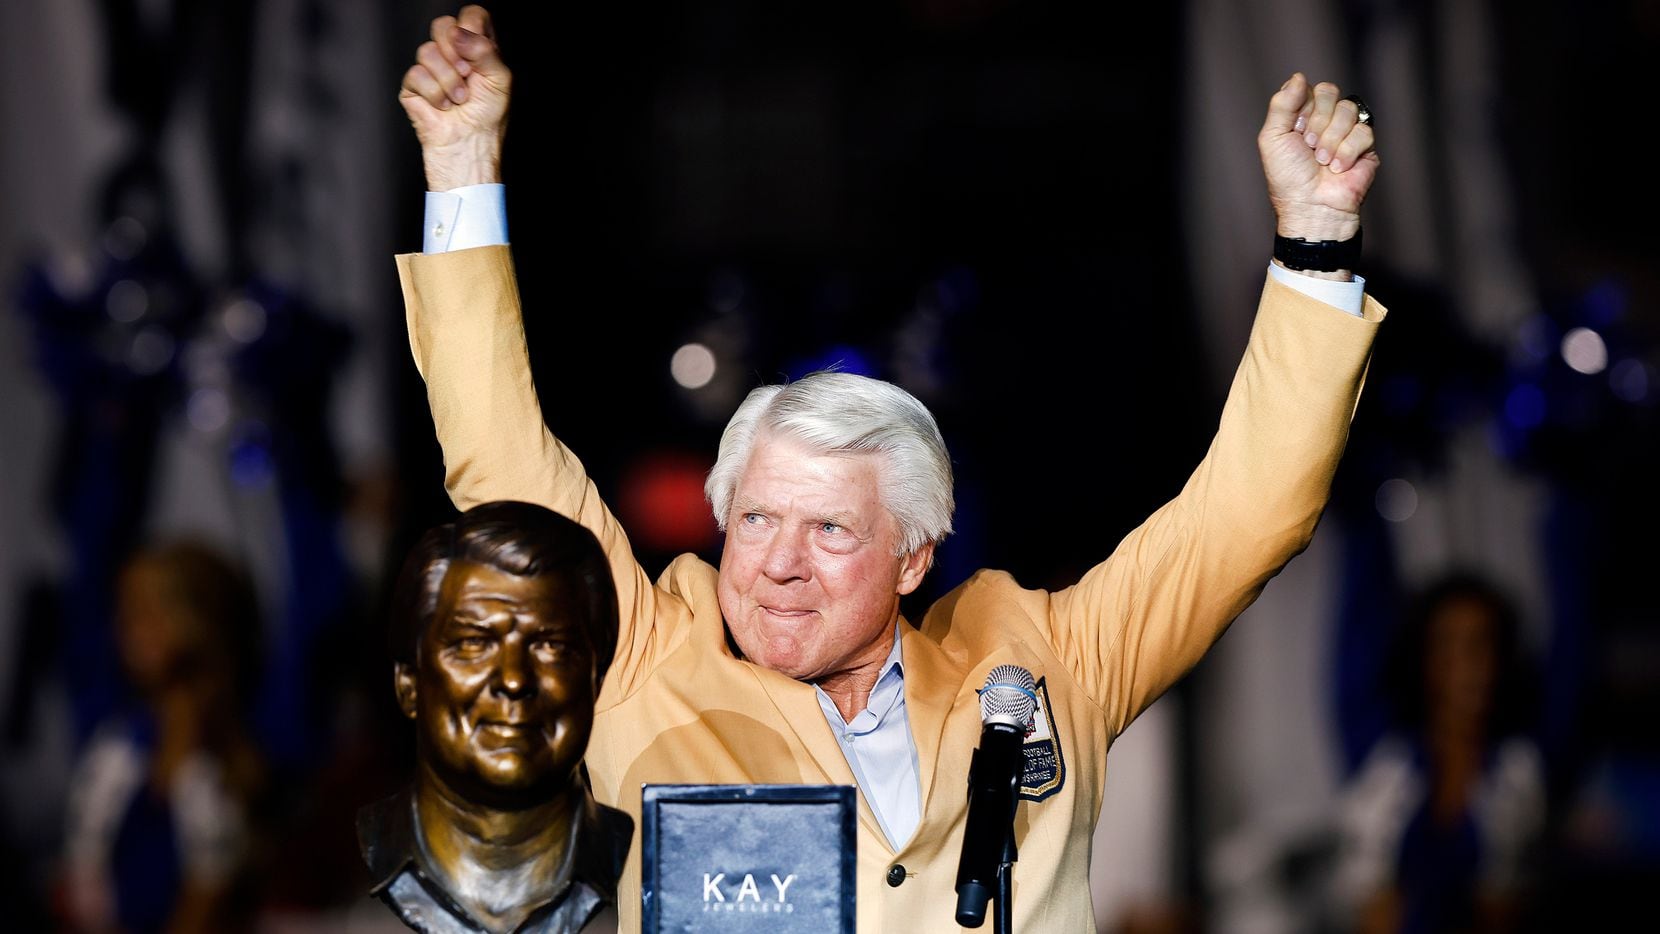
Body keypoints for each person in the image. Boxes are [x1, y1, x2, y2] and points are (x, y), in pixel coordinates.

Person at [395, 6, 1385, 930]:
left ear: (913, 558)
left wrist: (1315, 240)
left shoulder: (1047, 662)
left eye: (829, 529)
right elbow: (502, 465)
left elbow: (1247, 516)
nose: (779, 563)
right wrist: (462, 166)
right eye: (756, 521)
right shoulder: (645, 662)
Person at [358, 500, 633, 933]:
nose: (512, 679)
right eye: (473, 644)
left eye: (551, 646)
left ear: (594, 681)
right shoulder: (339, 890)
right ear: (409, 683)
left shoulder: (647, 870)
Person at [59, 540, 266, 934]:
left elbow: (210, 893)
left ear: (200, 620)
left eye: (149, 612)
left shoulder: (227, 758)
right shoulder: (120, 745)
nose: (127, 629)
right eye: (126, 612)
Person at [1327, 573, 1544, 934]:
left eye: (1480, 645)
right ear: (1424, 660)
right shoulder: (1384, 766)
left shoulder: (1521, 773)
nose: (1466, 667)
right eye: (1448, 646)